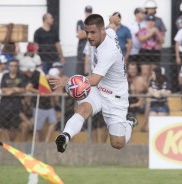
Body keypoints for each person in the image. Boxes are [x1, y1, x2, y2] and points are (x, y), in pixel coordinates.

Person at [50, 13, 137, 153]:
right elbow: (112, 26)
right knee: (83, 109)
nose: (89, 36)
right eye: (87, 32)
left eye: (93, 32)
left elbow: (94, 79)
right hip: (98, 89)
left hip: (115, 96)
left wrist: (66, 81)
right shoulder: (107, 32)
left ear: (101, 31)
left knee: (117, 143)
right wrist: (113, 20)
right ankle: (65, 136)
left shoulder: (109, 51)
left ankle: (130, 122)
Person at [0, 59, 28, 142]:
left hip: (16, 105)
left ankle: (12, 142)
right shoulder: (5, 76)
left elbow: (23, 89)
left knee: (14, 127)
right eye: (11, 66)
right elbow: (3, 89)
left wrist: (11, 91)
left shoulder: (21, 76)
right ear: (8, 66)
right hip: (4, 105)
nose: (13, 67)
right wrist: (15, 89)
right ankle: (8, 142)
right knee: (3, 126)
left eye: (15, 66)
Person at [137, 15, 164, 82]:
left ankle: (151, 88)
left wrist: (157, 32)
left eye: (152, 21)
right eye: (149, 20)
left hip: (155, 52)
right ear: (146, 21)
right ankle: (145, 89)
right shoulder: (142, 30)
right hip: (145, 51)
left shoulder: (158, 30)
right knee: (145, 72)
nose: (151, 22)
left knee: (153, 72)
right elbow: (141, 39)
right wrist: (151, 33)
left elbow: (162, 41)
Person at [76, 5, 93, 75]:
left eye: (90, 12)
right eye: (87, 12)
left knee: (89, 75)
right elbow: (80, 35)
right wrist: (91, 31)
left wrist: (84, 32)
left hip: (91, 52)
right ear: (85, 12)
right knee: (80, 75)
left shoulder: (94, 23)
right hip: (81, 52)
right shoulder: (80, 22)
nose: (88, 13)